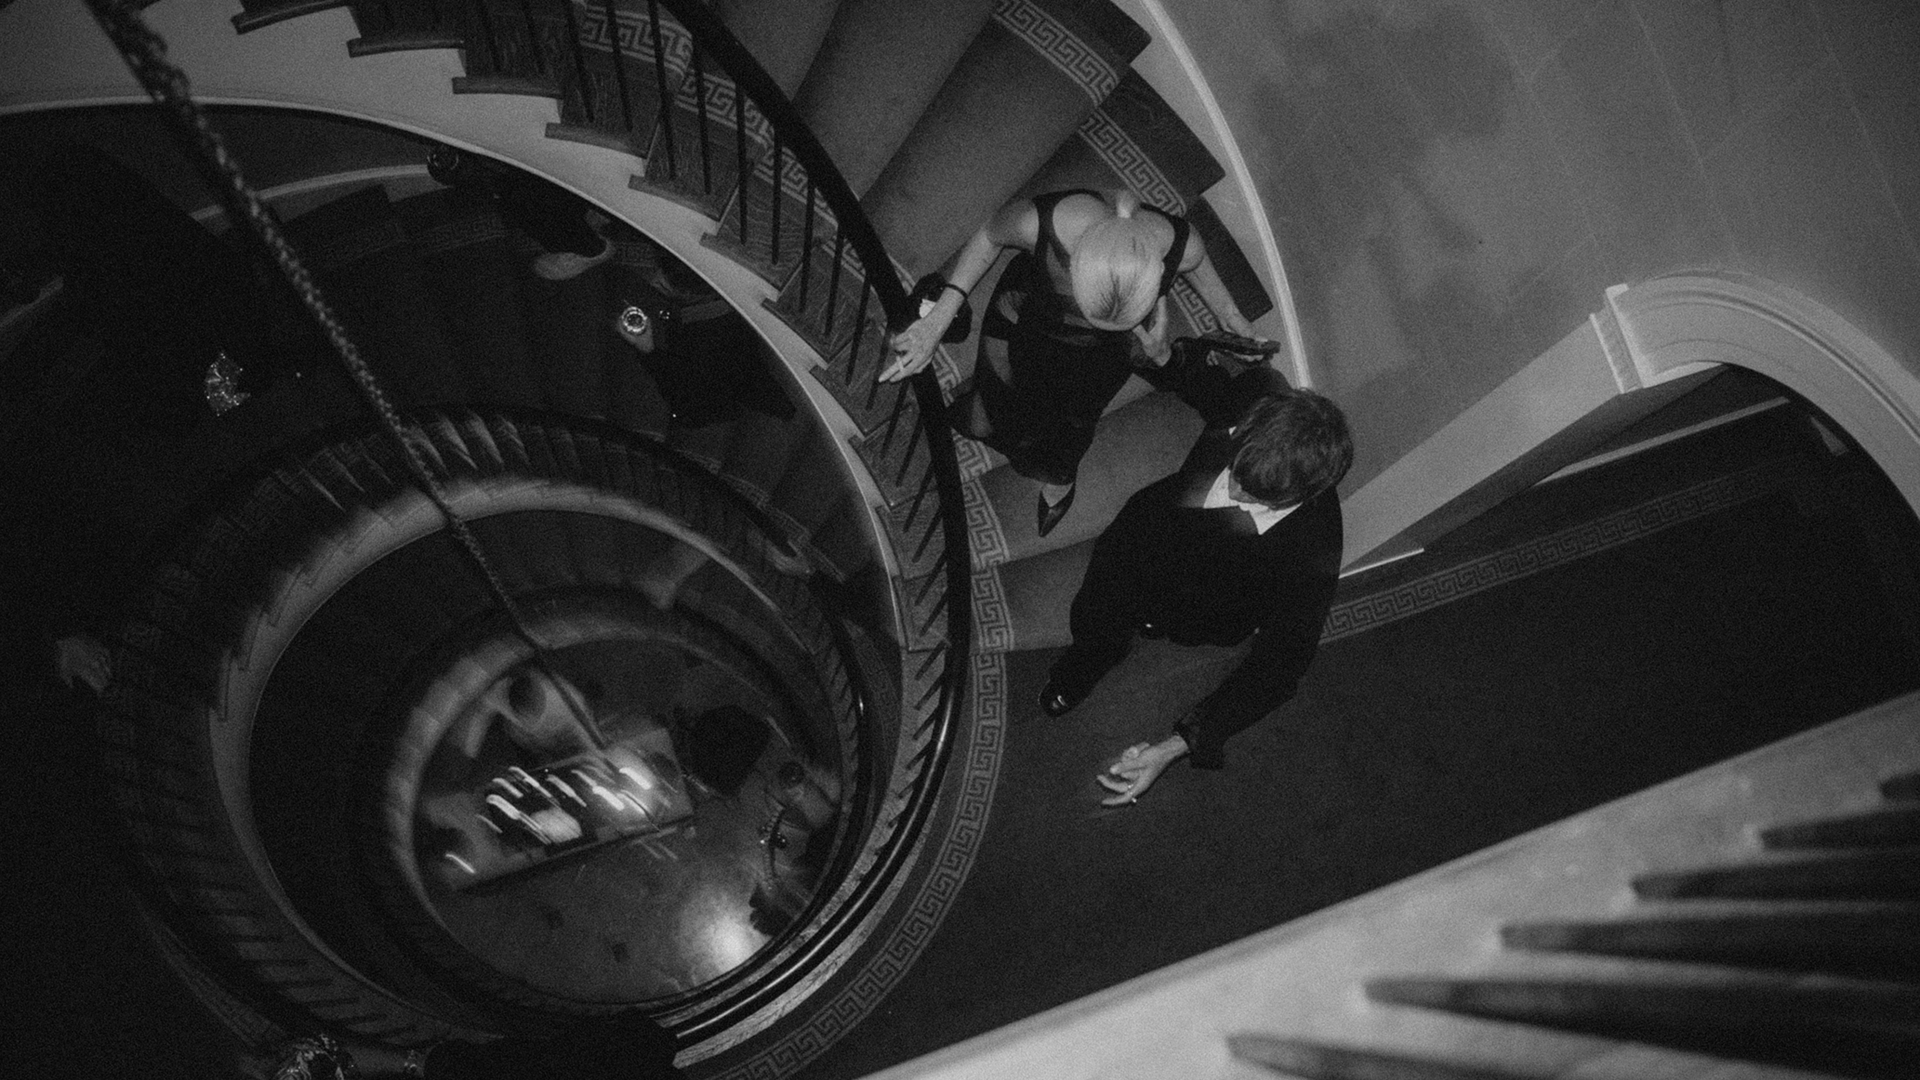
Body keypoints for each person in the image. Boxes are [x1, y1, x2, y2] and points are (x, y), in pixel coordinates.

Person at [1038, 384, 1353, 805]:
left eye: (1255, 495)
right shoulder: (1251, 403)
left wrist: (1175, 746)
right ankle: (1090, 659)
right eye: (1236, 473)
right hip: (1146, 533)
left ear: (1302, 494)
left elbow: (1283, 662)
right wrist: (1164, 352)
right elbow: (1203, 380)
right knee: (1099, 611)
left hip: (1209, 602)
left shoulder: (1315, 546)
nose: (1232, 491)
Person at [883, 189, 1257, 536]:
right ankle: (987, 410)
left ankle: (1059, 474)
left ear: (1158, 272)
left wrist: (1229, 315)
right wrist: (937, 320)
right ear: (1076, 262)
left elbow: (1199, 260)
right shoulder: (1044, 224)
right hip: (1027, 321)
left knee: (1074, 419)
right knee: (1000, 388)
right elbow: (988, 235)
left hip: (1107, 357)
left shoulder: (1177, 244)